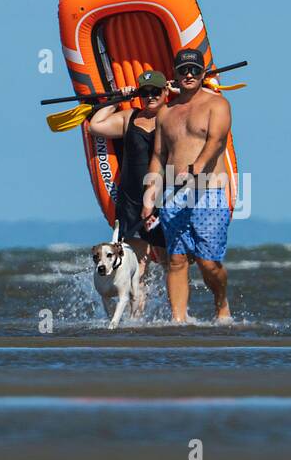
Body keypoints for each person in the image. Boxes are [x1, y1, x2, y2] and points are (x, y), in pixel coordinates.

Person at [141, 49, 233, 324]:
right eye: (183, 70)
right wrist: (150, 194)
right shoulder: (166, 112)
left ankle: (221, 306)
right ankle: (178, 320)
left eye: (194, 70)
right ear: (175, 74)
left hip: (209, 189)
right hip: (174, 194)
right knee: (177, 259)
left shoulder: (218, 104)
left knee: (208, 262)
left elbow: (216, 141)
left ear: (203, 73)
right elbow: (158, 155)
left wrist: (195, 167)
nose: (189, 74)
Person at [87, 69, 169, 284]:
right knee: (139, 263)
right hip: (132, 200)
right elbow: (95, 126)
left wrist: (177, 90)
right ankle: (137, 316)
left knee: (168, 260)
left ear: (165, 91)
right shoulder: (129, 117)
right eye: (145, 92)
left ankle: (176, 315)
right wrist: (118, 99)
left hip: (163, 198)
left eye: (155, 91)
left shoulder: (174, 116)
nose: (150, 96)